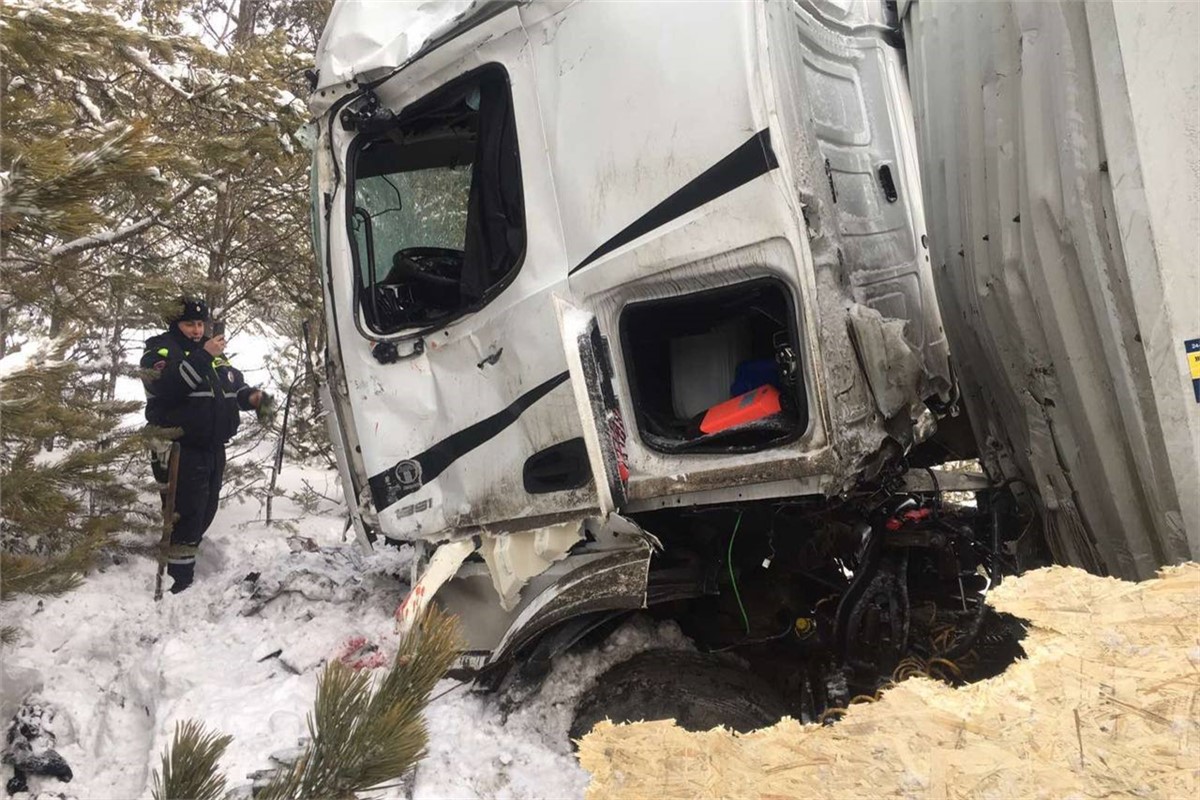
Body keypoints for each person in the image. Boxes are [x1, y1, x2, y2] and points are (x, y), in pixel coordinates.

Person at [140, 297, 274, 593]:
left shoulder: (214, 354)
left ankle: (183, 569)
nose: (197, 330)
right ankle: (179, 584)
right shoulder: (160, 351)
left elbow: (232, 386)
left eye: (201, 324)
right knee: (185, 513)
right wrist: (202, 355)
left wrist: (253, 398)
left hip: (213, 446)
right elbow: (168, 387)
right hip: (179, 447)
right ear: (176, 324)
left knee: (205, 510)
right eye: (190, 324)